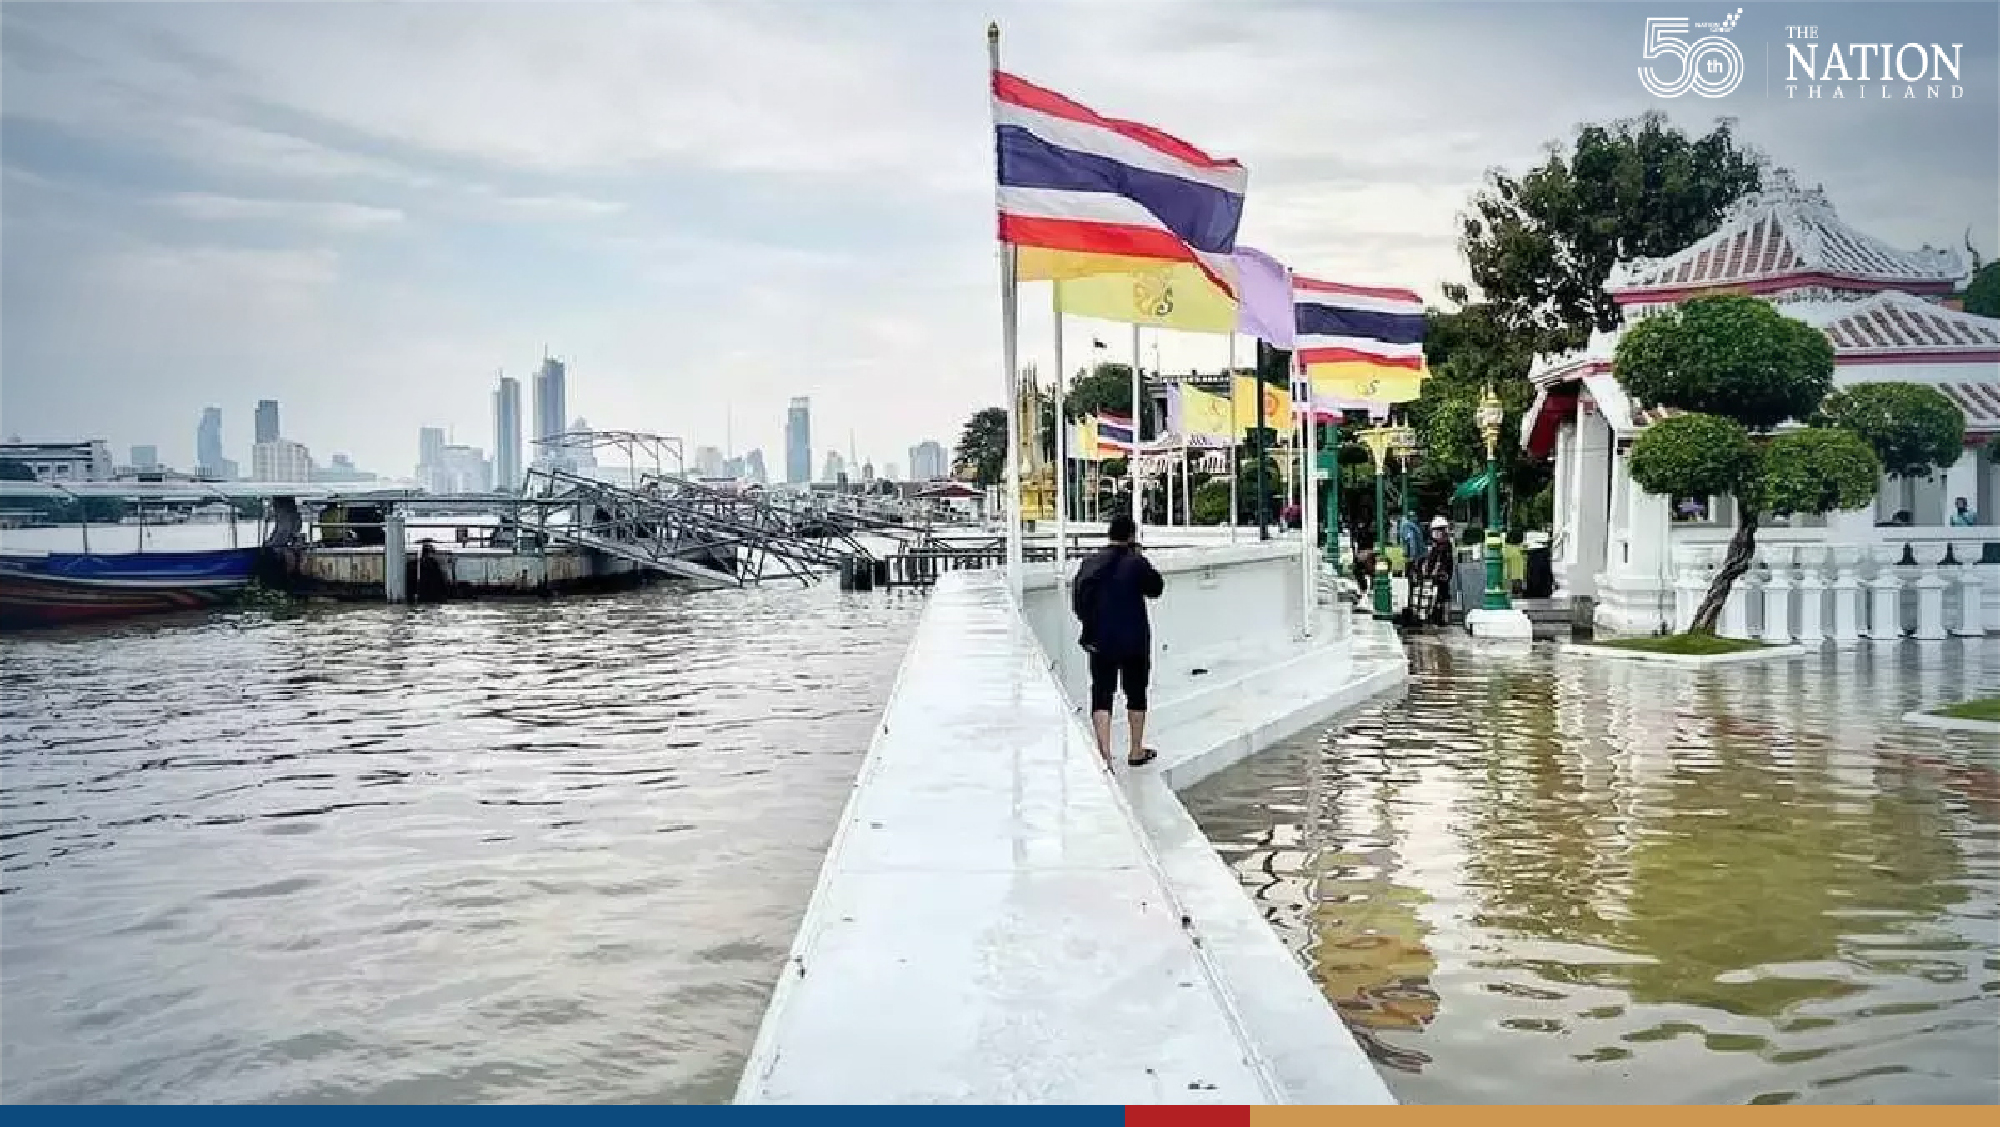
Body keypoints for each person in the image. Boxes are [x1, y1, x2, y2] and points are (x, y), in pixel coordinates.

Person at [1071, 514, 1166, 767]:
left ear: (1109, 535)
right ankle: (1135, 750)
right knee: (1136, 692)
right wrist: (1140, 557)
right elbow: (1156, 588)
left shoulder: (1090, 562)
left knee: (1102, 692)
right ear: (1132, 536)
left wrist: (1090, 625)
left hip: (1100, 639)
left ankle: (1105, 755)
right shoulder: (1136, 562)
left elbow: (1078, 600)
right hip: (1133, 639)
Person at [1416, 516, 1456, 626]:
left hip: (1442, 575)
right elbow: (1430, 560)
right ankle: (1436, 616)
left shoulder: (1445, 545)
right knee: (1436, 595)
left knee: (1442, 595)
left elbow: (1443, 561)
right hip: (1437, 575)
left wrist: (1439, 571)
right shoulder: (1436, 545)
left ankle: (1443, 618)